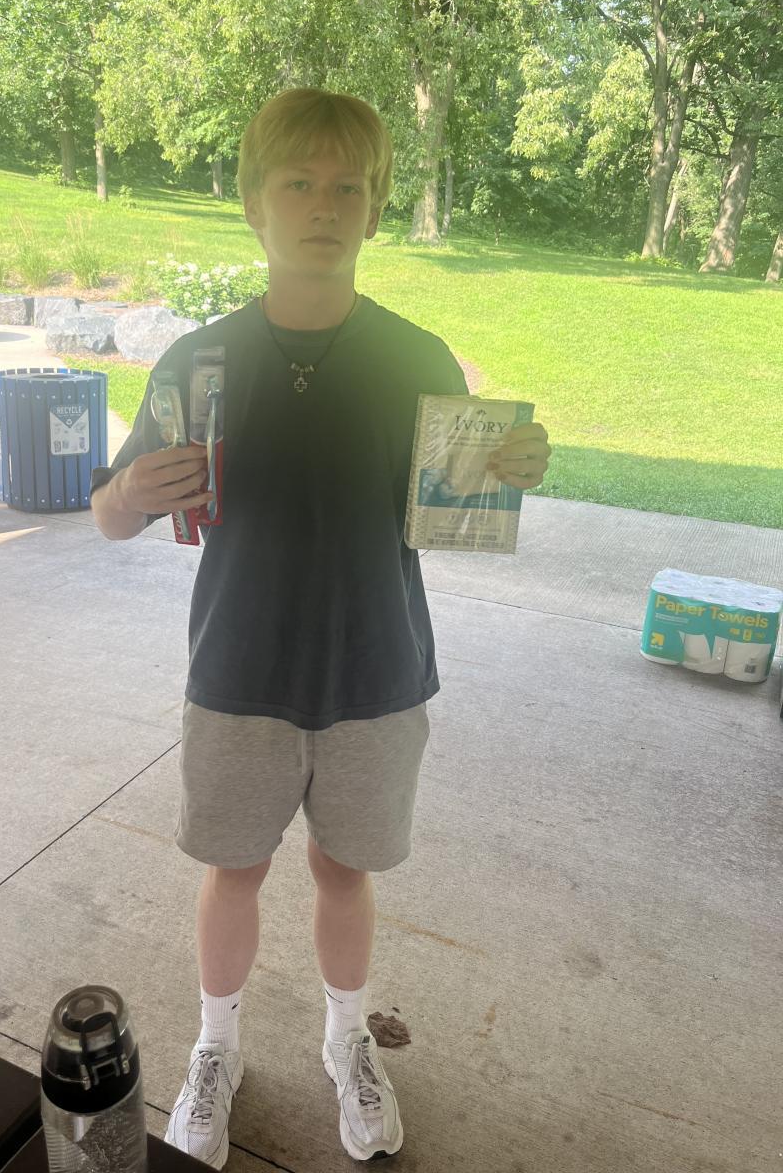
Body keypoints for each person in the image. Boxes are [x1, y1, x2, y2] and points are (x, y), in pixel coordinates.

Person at [90, 88, 552, 1166]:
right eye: (299, 181)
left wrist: (508, 465)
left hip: (377, 672)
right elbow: (110, 513)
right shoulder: (198, 361)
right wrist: (132, 491)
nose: (323, 205)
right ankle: (217, 1044)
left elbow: (453, 507)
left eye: (349, 187)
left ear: (376, 209)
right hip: (238, 669)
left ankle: (349, 1037)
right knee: (234, 868)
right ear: (255, 203)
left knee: (347, 869)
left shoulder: (417, 359)